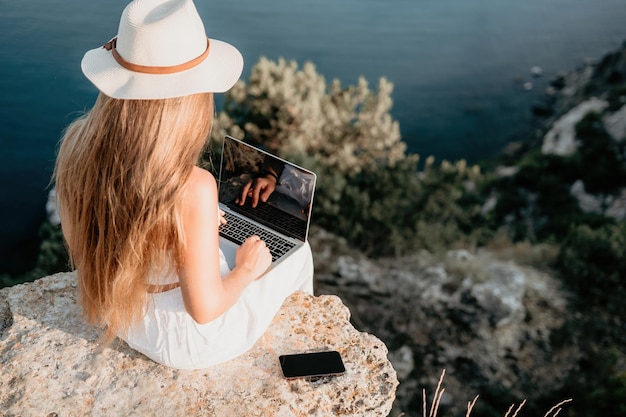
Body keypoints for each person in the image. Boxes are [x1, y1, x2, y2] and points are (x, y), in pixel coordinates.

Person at [53, 0, 313, 370]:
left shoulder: (77, 144)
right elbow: (204, 310)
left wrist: (195, 225)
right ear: (190, 101)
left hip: (123, 312)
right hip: (183, 341)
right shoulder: (192, 186)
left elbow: (114, 230)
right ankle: (308, 341)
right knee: (298, 254)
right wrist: (245, 271)